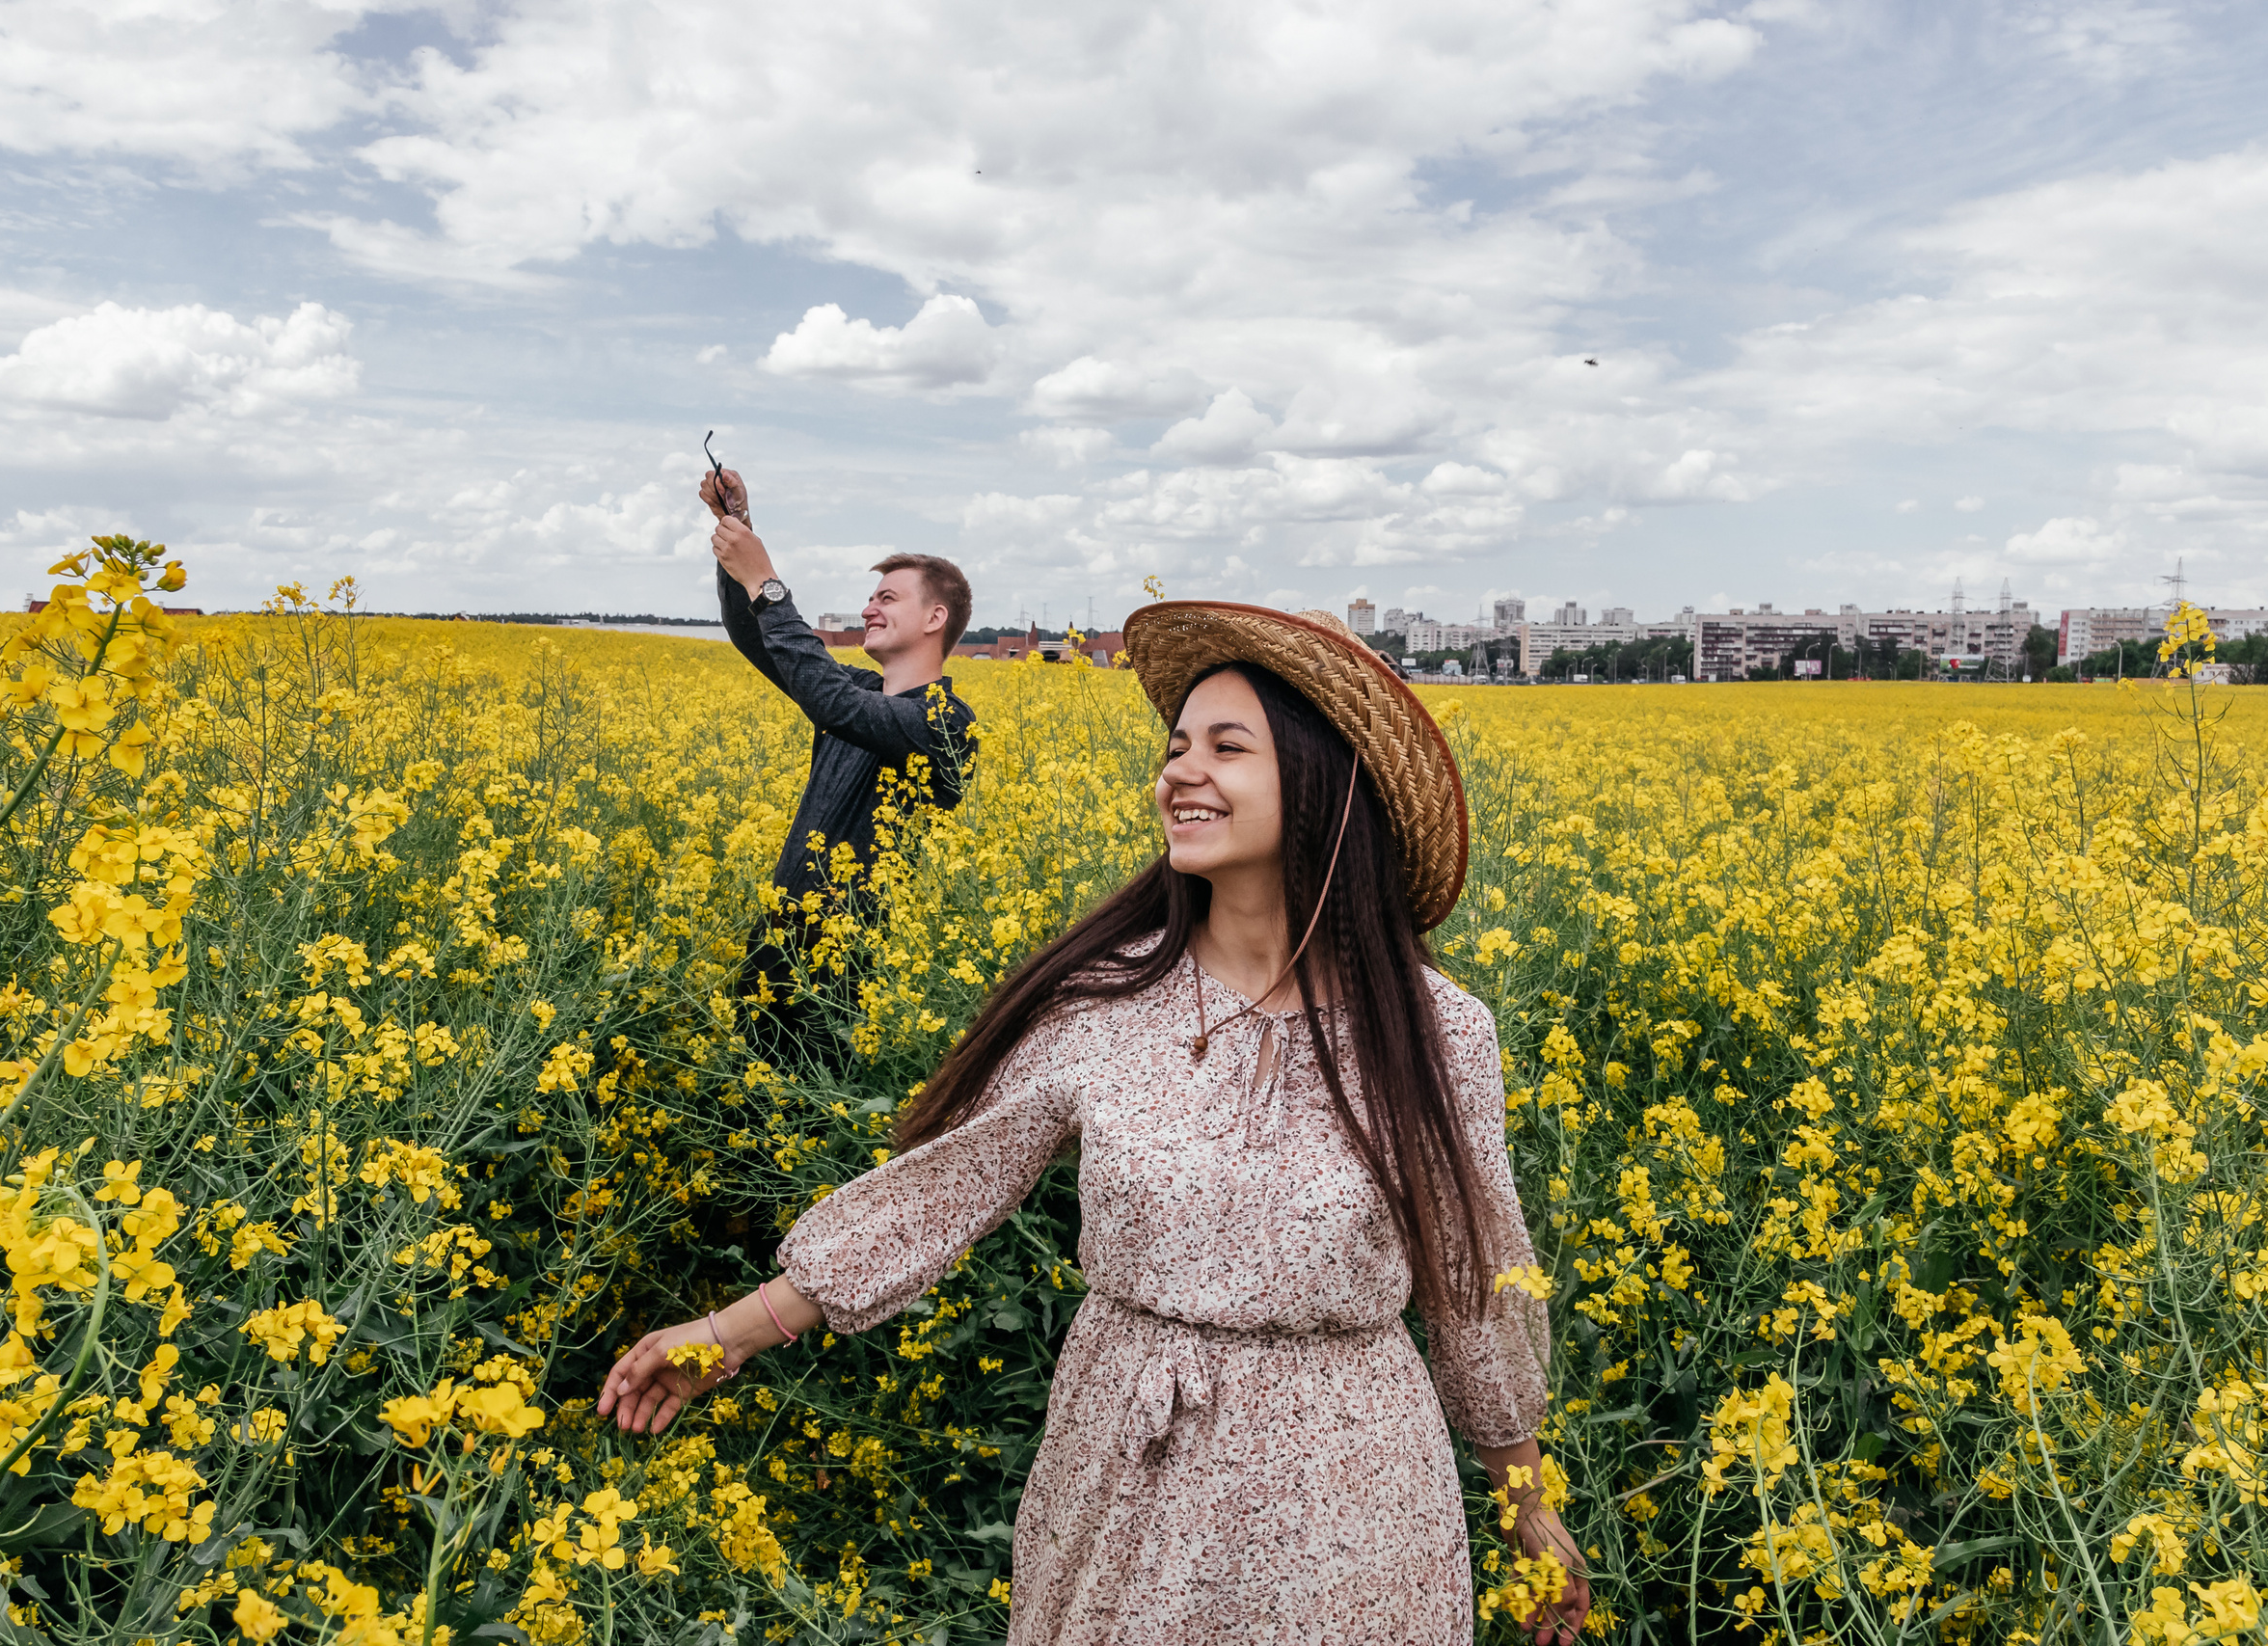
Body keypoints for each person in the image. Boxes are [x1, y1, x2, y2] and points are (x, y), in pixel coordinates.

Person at [600, 601, 1588, 1645]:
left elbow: (1476, 1278)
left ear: (1323, 787)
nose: (1179, 773)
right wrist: (727, 1336)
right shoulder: (1104, 1002)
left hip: (1350, 1478)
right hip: (1127, 1460)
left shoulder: (1439, 1031)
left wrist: (1527, 1507)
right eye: (1174, 749)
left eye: (1225, 747)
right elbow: (945, 1187)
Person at [697, 465, 977, 1060]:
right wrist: (737, 530)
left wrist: (770, 582)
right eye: (871, 597)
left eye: (888, 598)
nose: (869, 609)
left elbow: (830, 699)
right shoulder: (860, 695)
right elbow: (760, 641)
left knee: (805, 1122)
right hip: (778, 945)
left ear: (935, 619)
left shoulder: (946, 724)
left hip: (841, 972)